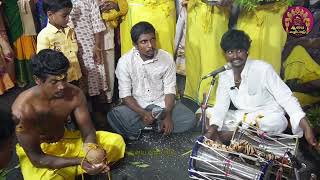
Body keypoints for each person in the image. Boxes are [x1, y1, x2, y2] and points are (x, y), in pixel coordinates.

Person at [12, 49, 125, 180]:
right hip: (42, 154)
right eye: (54, 82)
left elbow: (88, 132)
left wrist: (91, 152)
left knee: (116, 143)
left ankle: (72, 171)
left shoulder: (75, 94)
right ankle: (76, 170)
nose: (62, 86)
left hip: (66, 141)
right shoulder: (22, 109)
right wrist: (80, 161)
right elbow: (37, 159)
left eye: (64, 78)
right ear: (37, 80)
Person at [204, 29, 318, 149]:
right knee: (209, 114)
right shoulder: (224, 76)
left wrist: (305, 126)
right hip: (243, 117)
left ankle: (231, 137)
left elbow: (286, 97)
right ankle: (234, 139)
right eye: (230, 52)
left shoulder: (263, 69)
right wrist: (212, 129)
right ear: (225, 54)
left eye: (239, 51)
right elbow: (221, 107)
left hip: (267, 115)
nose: (235, 56)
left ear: (247, 51)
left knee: (278, 122)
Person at [107, 22, 196, 140]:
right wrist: (142, 113)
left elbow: (170, 90)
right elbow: (125, 95)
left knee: (190, 119)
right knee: (114, 116)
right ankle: (157, 126)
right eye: (144, 42)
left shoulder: (166, 58)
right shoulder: (125, 62)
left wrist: (168, 114)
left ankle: (148, 128)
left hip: (162, 105)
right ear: (135, 45)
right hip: (138, 107)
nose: (150, 45)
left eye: (153, 39)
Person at [37, 0, 82, 84]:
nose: (68, 19)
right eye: (64, 16)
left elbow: (74, 54)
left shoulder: (70, 30)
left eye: (69, 15)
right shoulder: (44, 36)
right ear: (50, 14)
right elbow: (43, 63)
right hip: (60, 81)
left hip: (75, 76)